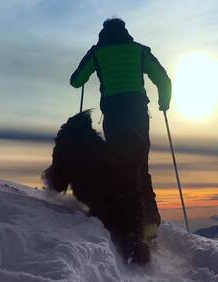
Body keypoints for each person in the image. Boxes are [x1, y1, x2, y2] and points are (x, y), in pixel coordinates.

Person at [70, 18, 171, 259]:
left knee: (120, 170)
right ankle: (150, 225)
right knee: (140, 167)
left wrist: (92, 59)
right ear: (125, 31)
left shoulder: (97, 53)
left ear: (103, 34)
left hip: (114, 118)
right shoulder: (139, 50)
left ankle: (127, 226)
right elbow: (163, 79)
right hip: (138, 117)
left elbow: (76, 81)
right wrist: (163, 102)